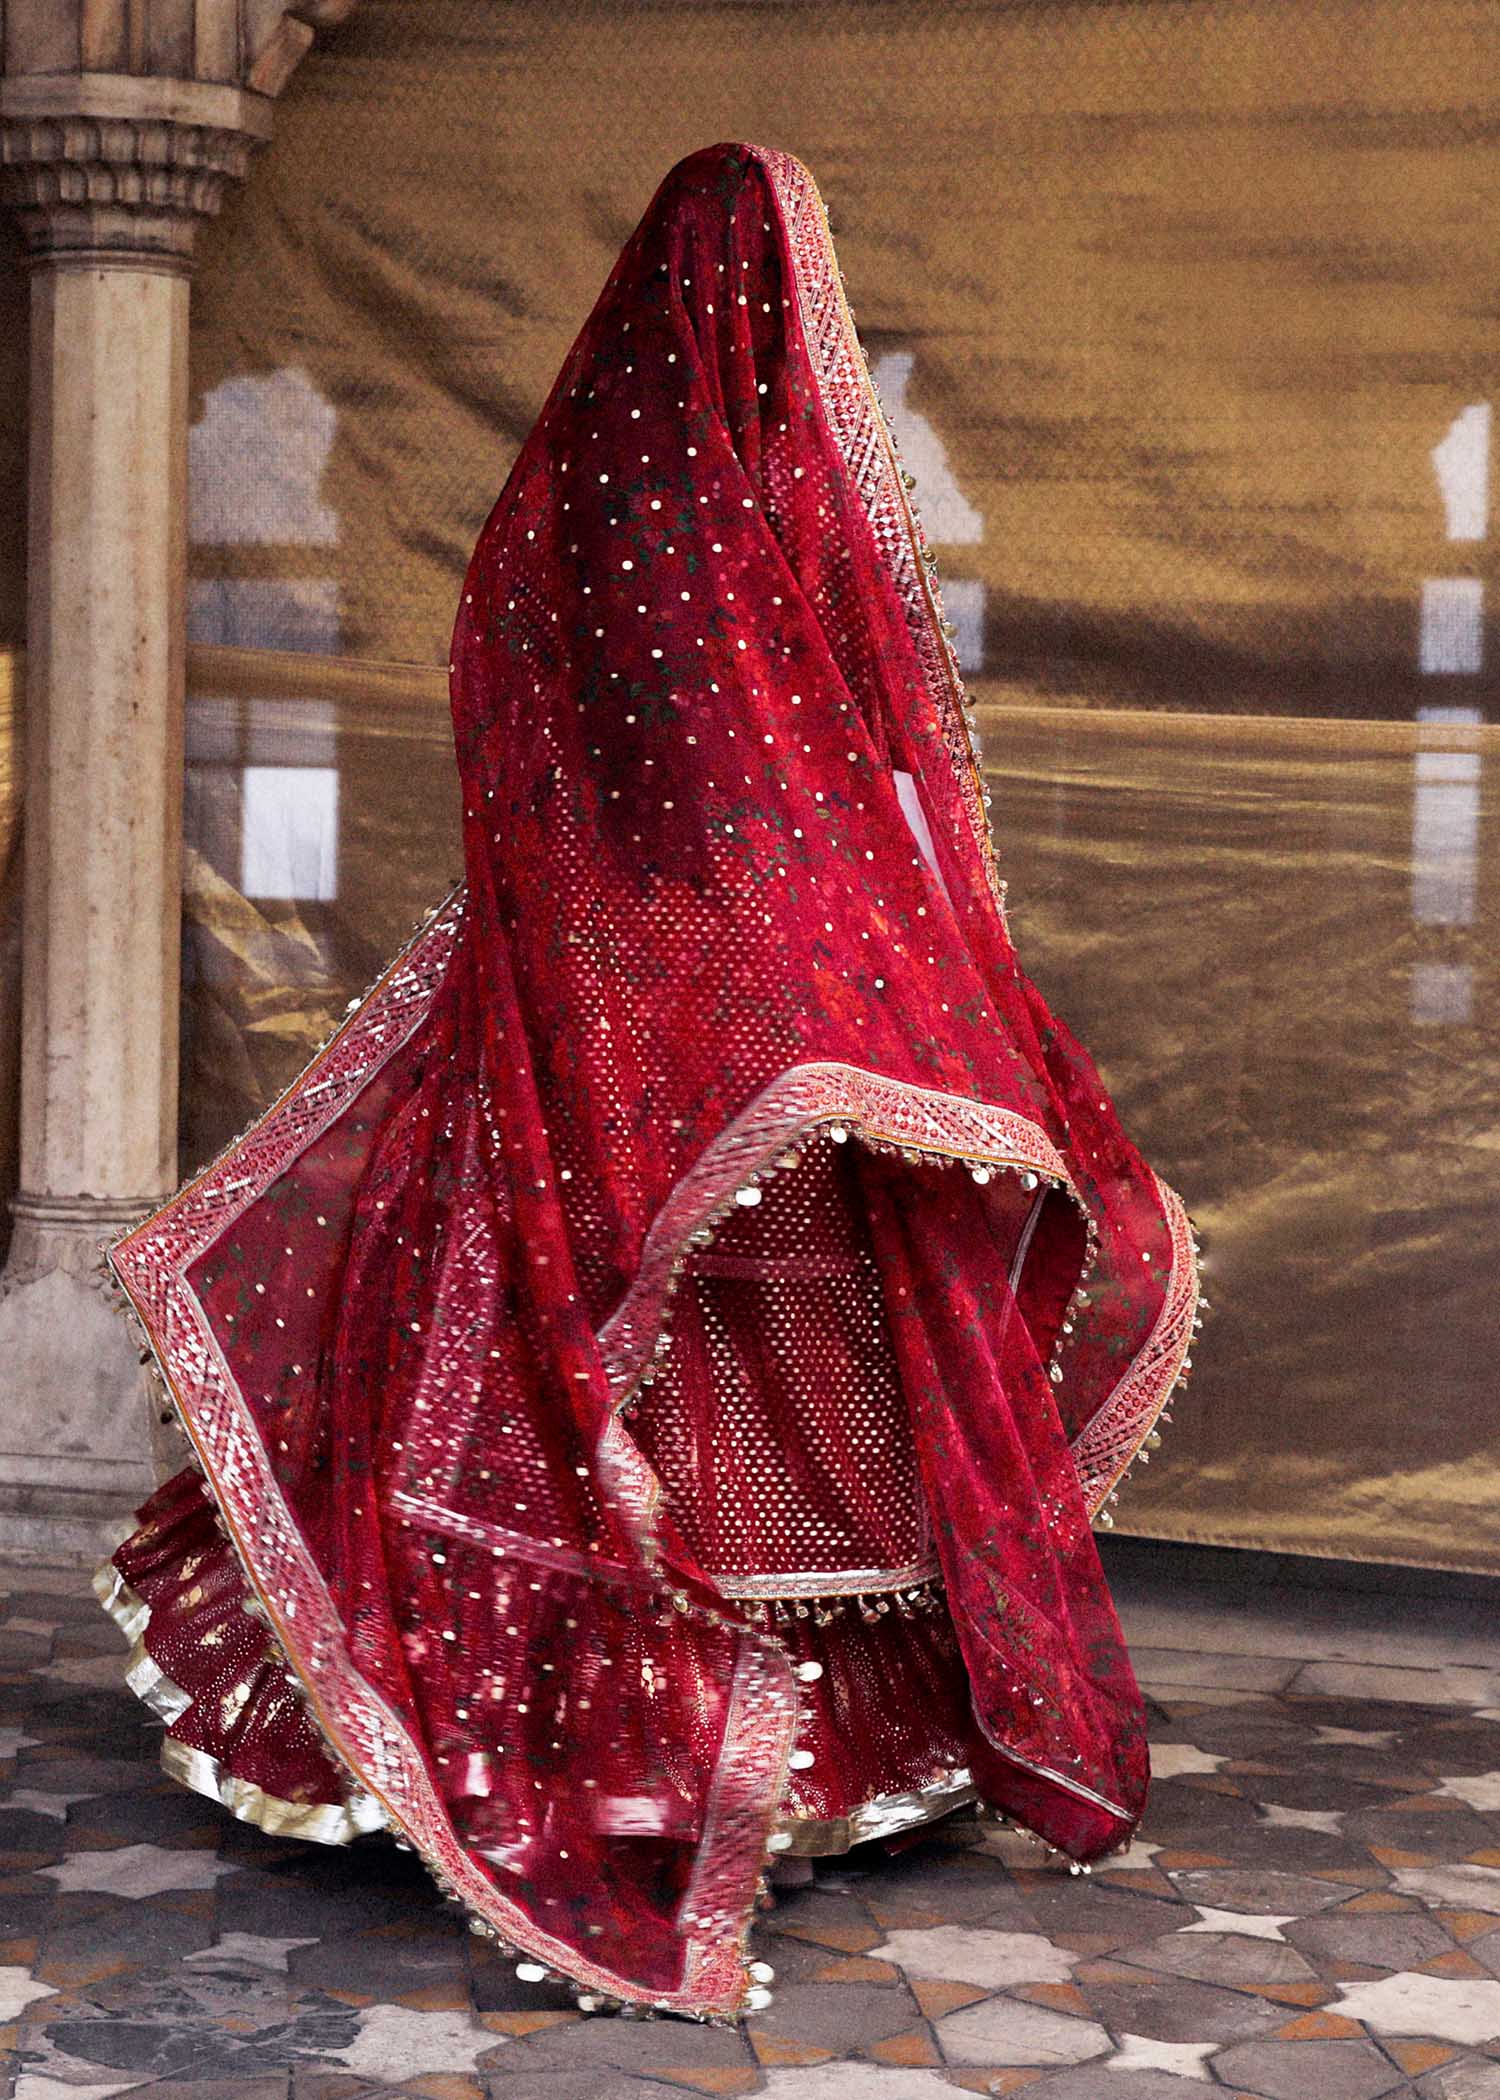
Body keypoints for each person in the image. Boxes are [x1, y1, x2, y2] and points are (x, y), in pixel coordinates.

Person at [96, 141, 1202, 2023]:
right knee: (653, 1373)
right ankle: (662, 1769)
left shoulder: (563, 509)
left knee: (647, 1362)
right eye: (795, 300)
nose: (813, 350)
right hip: (692, 993)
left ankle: (759, 1760)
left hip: (599, 990)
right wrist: (838, 986)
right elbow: (732, 790)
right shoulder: (677, 522)